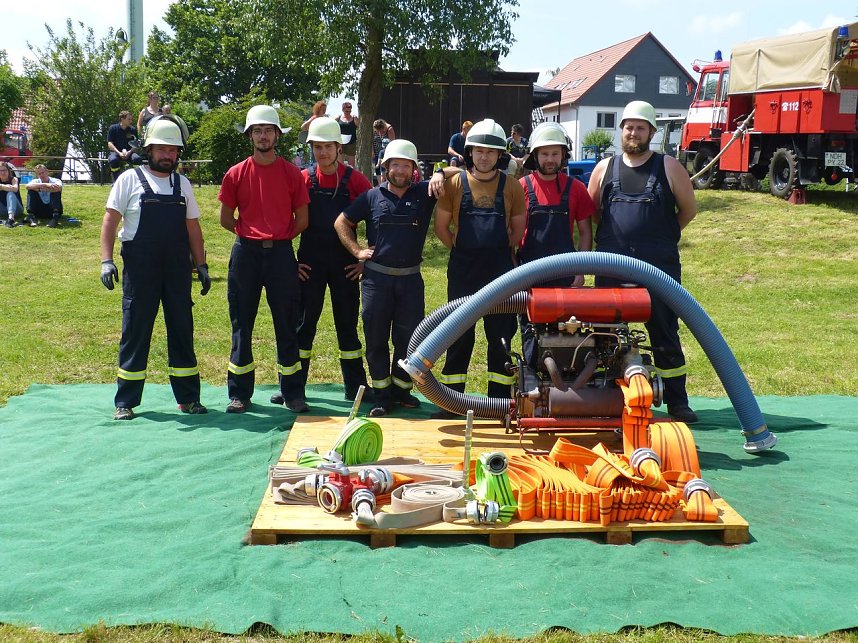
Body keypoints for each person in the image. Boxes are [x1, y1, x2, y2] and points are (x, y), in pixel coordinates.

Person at [587, 100, 699, 423]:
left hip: (659, 270)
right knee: (604, 335)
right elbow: (593, 213)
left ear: (651, 132)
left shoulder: (669, 167)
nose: (633, 133)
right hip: (611, 268)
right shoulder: (604, 169)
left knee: (665, 334)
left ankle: (677, 401)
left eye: (640, 128)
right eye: (628, 127)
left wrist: (660, 238)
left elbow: (688, 211)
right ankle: (604, 399)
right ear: (621, 130)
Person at [99, 116, 211, 421]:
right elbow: (110, 221)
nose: (167, 155)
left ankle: (188, 399)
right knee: (135, 331)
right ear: (148, 149)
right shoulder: (129, 179)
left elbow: (193, 228)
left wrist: (201, 264)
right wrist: (106, 261)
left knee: (181, 330)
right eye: (162, 149)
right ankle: (126, 401)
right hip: (141, 270)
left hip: (177, 271)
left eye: (173, 150)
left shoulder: (182, 184)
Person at [269, 117, 372, 407]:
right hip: (309, 265)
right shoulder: (303, 178)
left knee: (347, 327)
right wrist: (291, 262)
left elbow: (377, 216)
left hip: (345, 267)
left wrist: (364, 258)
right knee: (303, 327)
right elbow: (284, 221)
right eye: (317, 147)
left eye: (328, 146)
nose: (322, 152)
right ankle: (292, 388)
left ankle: (356, 387)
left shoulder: (356, 180)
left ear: (339, 148)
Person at [334, 139, 438, 418]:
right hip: (376, 282)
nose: (400, 171)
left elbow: (458, 175)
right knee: (376, 339)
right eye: (395, 165)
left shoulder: (424, 193)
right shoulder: (371, 197)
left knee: (409, 340)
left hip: (410, 282)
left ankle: (401, 391)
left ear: (414, 169)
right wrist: (357, 251)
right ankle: (382, 396)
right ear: (385, 167)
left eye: (406, 165)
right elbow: (341, 222)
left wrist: (441, 173)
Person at [430, 119, 526, 418]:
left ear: (500, 155)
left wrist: (493, 251)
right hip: (464, 271)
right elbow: (441, 228)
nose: (484, 157)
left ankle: (499, 403)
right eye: (479, 151)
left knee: (500, 338)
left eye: (491, 152)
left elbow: (517, 231)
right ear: (469, 152)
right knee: (458, 335)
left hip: (500, 271)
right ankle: (452, 403)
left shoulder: (511, 186)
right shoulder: (454, 184)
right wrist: (462, 250)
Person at [219, 105, 311, 414]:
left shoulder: (292, 174)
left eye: (268, 130)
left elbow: (302, 219)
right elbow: (225, 218)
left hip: (281, 255)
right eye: (257, 131)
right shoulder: (235, 173)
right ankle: (239, 394)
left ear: (277, 135)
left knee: (287, 323)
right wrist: (251, 234)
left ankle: (292, 393)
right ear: (249, 136)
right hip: (245, 254)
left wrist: (278, 238)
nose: (263, 136)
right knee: (241, 324)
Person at [517, 122, 594, 366]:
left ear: (563, 155)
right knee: (530, 329)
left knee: (565, 329)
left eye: (555, 153)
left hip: (565, 274)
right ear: (534, 155)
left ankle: (563, 374)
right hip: (529, 274)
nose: (550, 159)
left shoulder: (577, 189)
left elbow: (585, 232)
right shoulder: (522, 187)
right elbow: (512, 233)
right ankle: (532, 374)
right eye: (544, 153)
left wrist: (580, 270)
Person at [106, 110, 143, 183]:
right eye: (129, 119)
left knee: (137, 159)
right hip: (116, 152)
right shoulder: (113, 128)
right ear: (122, 119)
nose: (131, 121)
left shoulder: (132, 129)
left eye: (131, 119)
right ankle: (116, 181)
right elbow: (110, 143)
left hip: (129, 153)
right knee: (113, 160)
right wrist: (119, 153)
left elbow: (136, 145)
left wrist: (129, 152)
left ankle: (136, 181)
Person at [335, 101, 359, 166]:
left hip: (351, 143)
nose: (348, 113)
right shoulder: (338, 118)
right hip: (340, 143)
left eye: (350, 111)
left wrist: (356, 120)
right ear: (342, 110)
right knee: (340, 164)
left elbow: (359, 127)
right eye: (346, 111)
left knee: (351, 165)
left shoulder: (354, 118)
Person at [0, 162, 23, 227]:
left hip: (17, 210)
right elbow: (12, 188)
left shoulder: (14, 179)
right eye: (0, 170)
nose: (2, 172)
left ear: (8, 171)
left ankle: (11, 218)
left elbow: (15, 189)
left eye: (4, 170)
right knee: (10, 190)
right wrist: (8, 187)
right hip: (2, 209)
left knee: (10, 193)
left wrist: (1, 186)